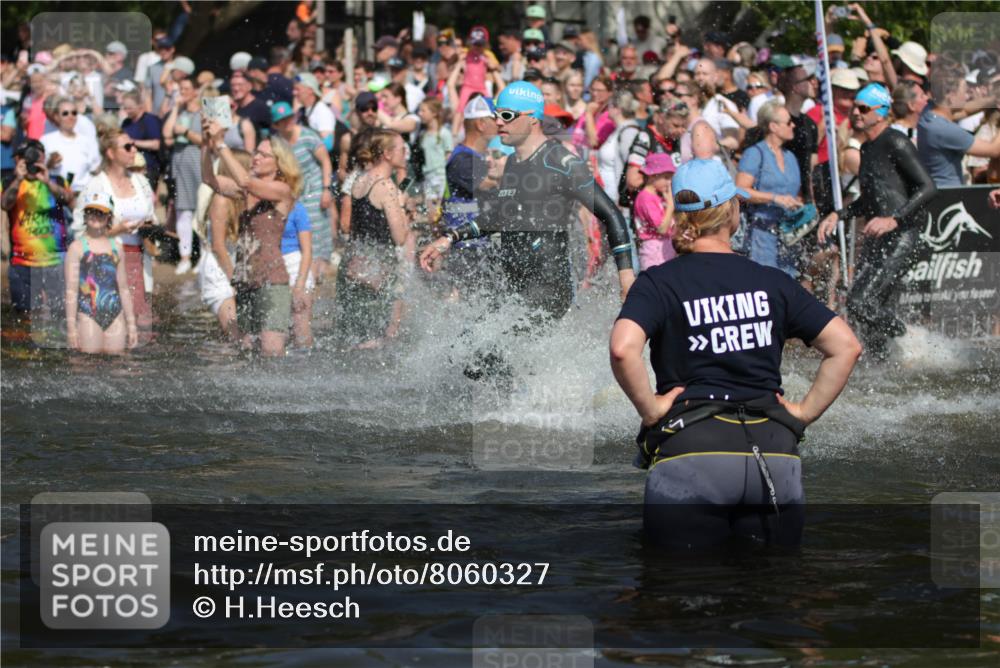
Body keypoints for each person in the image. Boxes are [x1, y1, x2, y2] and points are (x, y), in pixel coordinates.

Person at [610, 157, 862, 549]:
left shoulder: (658, 283)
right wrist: (804, 412)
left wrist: (651, 409)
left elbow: (623, 350)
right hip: (775, 453)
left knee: (673, 596)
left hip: (691, 451)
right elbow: (846, 347)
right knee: (776, 597)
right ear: (733, 211)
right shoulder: (772, 281)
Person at [420, 81, 636, 321]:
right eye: (496, 115)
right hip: (515, 286)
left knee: (489, 353)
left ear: (533, 118)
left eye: (507, 115)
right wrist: (449, 238)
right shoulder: (513, 163)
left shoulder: (562, 162)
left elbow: (611, 214)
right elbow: (499, 217)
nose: (499, 121)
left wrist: (625, 276)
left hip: (548, 290)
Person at [817, 84, 937, 361]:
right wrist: (839, 214)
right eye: (854, 108)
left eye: (863, 109)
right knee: (869, 307)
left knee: (861, 302)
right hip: (880, 235)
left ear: (880, 112)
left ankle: (911, 341)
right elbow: (870, 200)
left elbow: (928, 187)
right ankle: (883, 364)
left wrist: (894, 219)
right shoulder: (868, 147)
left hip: (903, 234)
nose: (855, 114)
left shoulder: (895, 141)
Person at [201, 121, 301, 357]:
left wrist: (221, 143)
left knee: (271, 350)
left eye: (263, 155)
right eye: (256, 152)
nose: (255, 157)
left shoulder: (282, 191)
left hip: (271, 282)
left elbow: (246, 181)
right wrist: (207, 144)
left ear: (279, 164)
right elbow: (208, 179)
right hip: (245, 282)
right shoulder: (245, 192)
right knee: (247, 349)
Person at [72, 126, 158, 335]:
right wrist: (116, 230)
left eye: (134, 145)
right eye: (127, 147)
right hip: (105, 261)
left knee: (140, 324)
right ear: (110, 153)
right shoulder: (95, 186)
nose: (133, 150)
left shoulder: (141, 182)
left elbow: (153, 218)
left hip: (137, 259)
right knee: (109, 324)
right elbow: (79, 234)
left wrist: (149, 225)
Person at [337, 129, 414, 349]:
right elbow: (400, 237)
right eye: (401, 149)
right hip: (376, 272)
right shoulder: (386, 186)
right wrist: (401, 205)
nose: (405, 153)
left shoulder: (360, 180)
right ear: (388, 154)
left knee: (350, 339)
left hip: (353, 265)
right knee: (375, 342)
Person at [2, 141, 69, 324]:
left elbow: (68, 200)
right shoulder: (9, 182)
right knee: (24, 319)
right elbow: (5, 204)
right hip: (21, 263)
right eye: (22, 157)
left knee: (58, 317)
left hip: (55, 261)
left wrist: (47, 181)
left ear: (42, 156)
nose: (28, 160)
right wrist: (18, 179)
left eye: (32, 155)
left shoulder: (56, 180)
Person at [736, 101, 804, 277]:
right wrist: (774, 198)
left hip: (789, 237)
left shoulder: (791, 157)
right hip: (760, 235)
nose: (793, 125)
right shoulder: (755, 153)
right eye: (788, 122)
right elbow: (739, 190)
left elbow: (795, 194)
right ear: (773, 126)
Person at [64, 191, 138, 353]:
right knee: (88, 364)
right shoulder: (76, 248)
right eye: (91, 212)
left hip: (115, 314)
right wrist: (71, 328)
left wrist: (132, 325)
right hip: (88, 314)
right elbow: (71, 291)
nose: (95, 216)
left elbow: (124, 289)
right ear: (85, 216)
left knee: (117, 365)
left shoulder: (117, 248)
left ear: (109, 218)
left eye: (101, 213)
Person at [917, 62, 1000, 187]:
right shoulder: (944, 130)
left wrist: (994, 99)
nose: (967, 96)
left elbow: (964, 111)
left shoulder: (929, 113)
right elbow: (993, 150)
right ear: (950, 95)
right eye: (964, 91)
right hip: (949, 196)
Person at [199, 148, 250, 341]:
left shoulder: (245, 198)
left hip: (238, 267)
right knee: (235, 333)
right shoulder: (221, 201)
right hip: (220, 271)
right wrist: (236, 281)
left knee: (245, 333)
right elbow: (218, 247)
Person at [162, 76, 203, 274]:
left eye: (186, 89)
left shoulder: (205, 111)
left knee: (204, 213)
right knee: (183, 212)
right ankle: (185, 257)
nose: (183, 93)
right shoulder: (177, 112)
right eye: (180, 90)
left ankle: (205, 255)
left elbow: (209, 141)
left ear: (196, 91)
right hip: (180, 169)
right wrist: (176, 108)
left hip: (201, 166)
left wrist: (186, 132)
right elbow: (167, 136)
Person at [40, 96, 101, 195]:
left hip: (82, 193)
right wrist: (50, 163)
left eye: (74, 113)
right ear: (56, 117)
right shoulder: (45, 140)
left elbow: (96, 168)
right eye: (65, 113)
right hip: (56, 194)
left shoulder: (87, 139)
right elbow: (40, 169)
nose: (70, 116)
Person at [632, 153, 677, 270]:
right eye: (666, 177)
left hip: (663, 250)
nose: (669, 182)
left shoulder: (658, 196)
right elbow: (661, 229)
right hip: (653, 252)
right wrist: (671, 206)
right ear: (652, 176)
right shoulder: (645, 198)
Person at [120, 90, 163, 186]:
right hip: (129, 167)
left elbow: (157, 144)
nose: (127, 111)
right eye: (125, 108)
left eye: (130, 108)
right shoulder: (126, 123)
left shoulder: (150, 120)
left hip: (148, 168)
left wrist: (133, 142)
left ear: (140, 105)